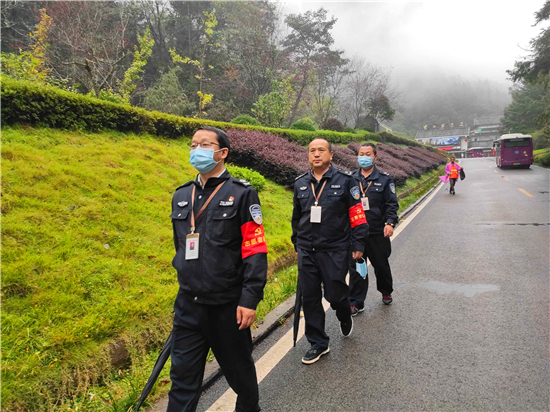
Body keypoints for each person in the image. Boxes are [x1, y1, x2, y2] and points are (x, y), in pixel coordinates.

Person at [168, 126, 268, 412]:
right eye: (193, 144)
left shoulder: (242, 194)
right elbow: (180, 247)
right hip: (188, 306)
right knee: (182, 380)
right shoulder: (181, 195)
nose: (196, 149)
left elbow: (255, 248)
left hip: (227, 306)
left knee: (240, 374)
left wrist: (249, 298)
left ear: (222, 153)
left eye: (205, 144)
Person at [292, 138, 368, 365]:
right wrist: (297, 242)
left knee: (335, 293)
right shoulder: (300, 183)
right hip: (307, 250)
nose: (316, 154)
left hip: (335, 249)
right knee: (311, 297)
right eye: (312, 151)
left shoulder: (346, 181)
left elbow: (357, 214)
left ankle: (344, 312)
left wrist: (358, 245)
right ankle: (318, 343)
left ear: (331, 155)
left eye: (321, 150)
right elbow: (297, 217)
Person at [348, 143, 399, 313]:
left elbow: (391, 203)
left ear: (375, 156)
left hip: (377, 231)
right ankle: (356, 302)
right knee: (357, 267)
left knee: (381, 265)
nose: (364, 157)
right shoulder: (351, 179)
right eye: (361, 153)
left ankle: (386, 291)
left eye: (367, 154)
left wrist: (390, 223)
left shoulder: (384, 179)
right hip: (356, 233)